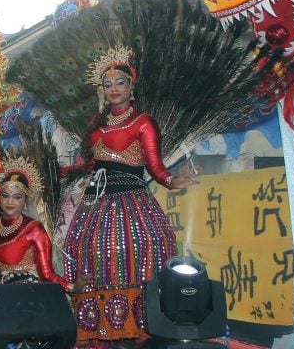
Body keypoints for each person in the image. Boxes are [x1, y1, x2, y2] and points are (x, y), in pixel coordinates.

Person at [63, 46, 197, 293]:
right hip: (94, 200)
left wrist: (171, 180)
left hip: (131, 200)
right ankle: (96, 314)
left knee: (141, 245)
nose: (113, 88)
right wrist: (63, 170)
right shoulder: (96, 123)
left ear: (131, 87)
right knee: (84, 244)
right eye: (107, 84)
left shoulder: (143, 122)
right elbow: (92, 164)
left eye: (120, 82)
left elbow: (154, 165)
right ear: (102, 90)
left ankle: (140, 314)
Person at [0, 158, 69, 289]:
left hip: (24, 295)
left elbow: (47, 274)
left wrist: (71, 287)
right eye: (5, 195)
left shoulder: (34, 229)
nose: (10, 202)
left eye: (17, 197)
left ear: (25, 201)